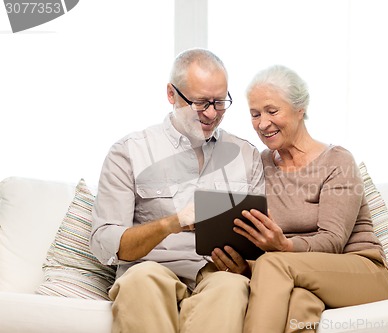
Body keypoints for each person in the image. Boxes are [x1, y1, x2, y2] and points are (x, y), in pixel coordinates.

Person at [90, 48, 265, 333]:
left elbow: (257, 243)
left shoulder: (246, 154)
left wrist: (245, 267)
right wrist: (172, 223)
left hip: (217, 273)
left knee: (233, 287)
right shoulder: (129, 152)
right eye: (200, 102)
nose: (212, 113)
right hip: (151, 269)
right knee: (139, 281)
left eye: (220, 102)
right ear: (172, 94)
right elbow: (105, 243)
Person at [216, 65, 388, 333]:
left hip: (362, 271)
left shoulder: (337, 161)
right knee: (299, 305)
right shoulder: (259, 164)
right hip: (299, 273)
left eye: (272, 111)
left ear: (300, 109)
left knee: (272, 262)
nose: (262, 123)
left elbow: (333, 240)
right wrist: (243, 264)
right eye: (255, 114)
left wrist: (284, 247)